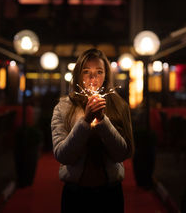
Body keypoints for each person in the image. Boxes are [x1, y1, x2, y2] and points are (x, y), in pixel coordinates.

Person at [51, 48, 134, 213]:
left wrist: (103, 121)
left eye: (99, 71)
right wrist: (86, 121)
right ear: (78, 75)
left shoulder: (118, 105)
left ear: (106, 75)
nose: (92, 77)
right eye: (86, 71)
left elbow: (123, 153)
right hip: (76, 194)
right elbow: (62, 155)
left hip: (109, 193)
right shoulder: (64, 107)